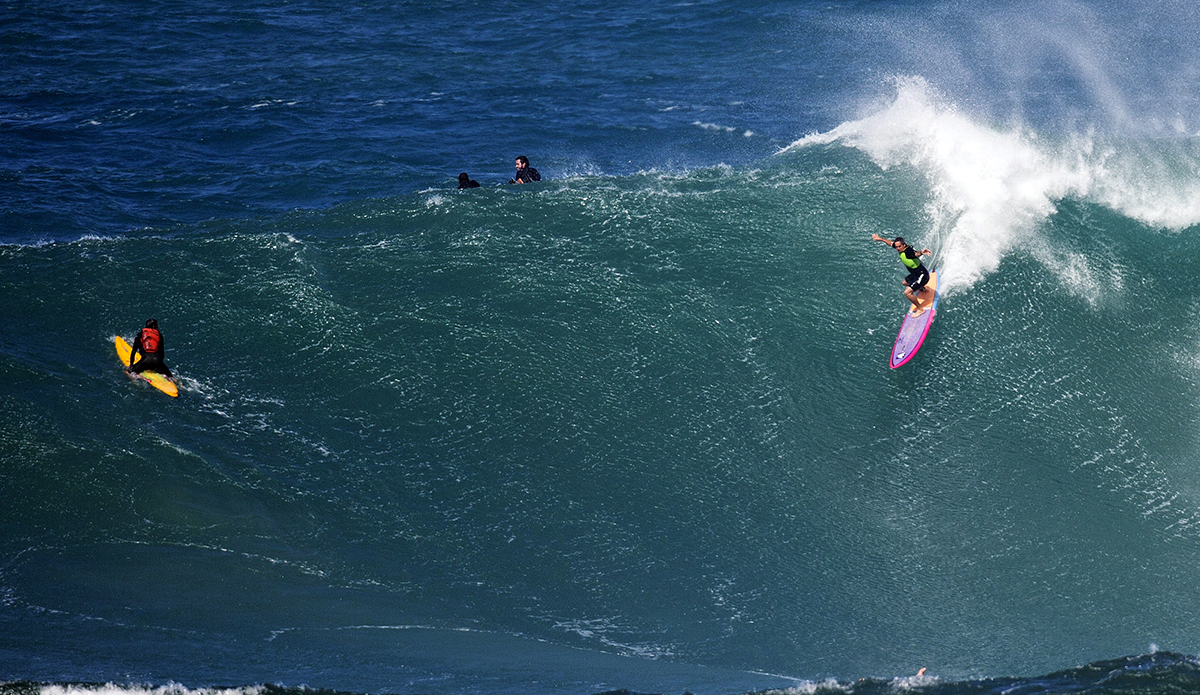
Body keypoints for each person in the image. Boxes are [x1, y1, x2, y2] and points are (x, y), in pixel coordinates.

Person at [872, 234, 932, 316]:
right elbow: (891, 243)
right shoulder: (900, 248)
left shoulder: (908, 251)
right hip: (915, 274)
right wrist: (881, 239)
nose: (897, 249)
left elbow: (915, 254)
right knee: (904, 282)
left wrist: (921, 252)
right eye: (896, 247)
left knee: (907, 293)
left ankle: (920, 309)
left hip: (922, 276)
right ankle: (922, 288)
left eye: (899, 247)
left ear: (904, 245)